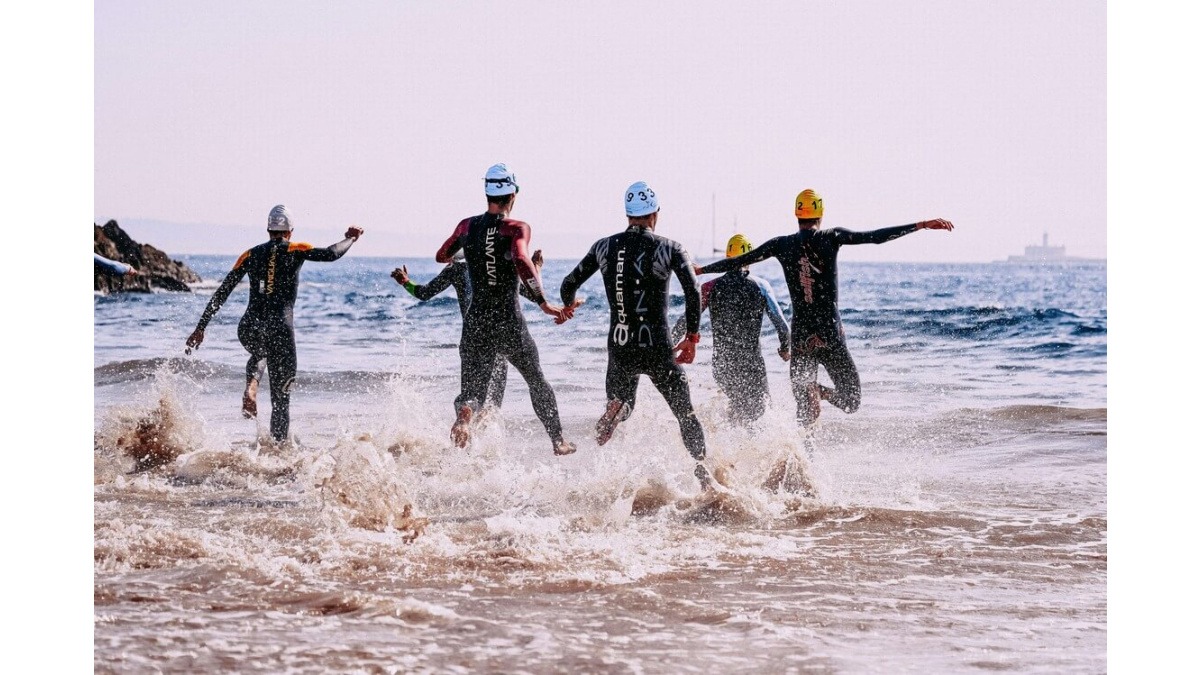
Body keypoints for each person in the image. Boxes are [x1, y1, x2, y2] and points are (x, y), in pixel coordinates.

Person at [696, 189, 953, 428]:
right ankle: (820, 390)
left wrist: (702, 270)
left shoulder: (781, 244)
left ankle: (796, 465)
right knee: (851, 400)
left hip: (801, 339)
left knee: (803, 418)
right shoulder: (832, 237)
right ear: (820, 213)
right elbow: (874, 237)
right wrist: (920, 225)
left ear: (797, 214)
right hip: (830, 334)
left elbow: (742, 260)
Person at [559, 181, 713, 489]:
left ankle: (618, 408)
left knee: (624, 403)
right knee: (685, 414)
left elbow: (568, 282)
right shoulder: (670, 247)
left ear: (628, 214)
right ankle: (705, 477)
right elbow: (693, 293)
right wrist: (693, 337)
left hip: (620, 345)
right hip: (658, 346)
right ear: (655, 213)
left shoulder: (603, 247)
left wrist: (568, 305)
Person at [184, 205, 363, 444]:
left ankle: (252, 386)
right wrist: (350, 238)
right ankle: (278, 451)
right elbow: (331, 253)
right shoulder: (296, 249)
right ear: (290, 231)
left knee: (261, 350)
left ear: (268, 229)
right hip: (281, 328)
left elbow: (222, 292)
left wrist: (201, 328)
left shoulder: (249, 254)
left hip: (249, 325)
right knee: (281, 400)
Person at [433, 163, 577, 456]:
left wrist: (475, 252)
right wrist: (543, 302)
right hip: (508, 321)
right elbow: (523, 261)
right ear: (514, 195)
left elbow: (442, 255)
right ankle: (558, 441)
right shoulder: (516, 228)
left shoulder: (466, 226)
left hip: (476, 321)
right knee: (536, 380)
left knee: (474, 390)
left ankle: (464, 415)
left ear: (487, 193)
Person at [390, 249, 546, 410]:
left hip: (473, 336)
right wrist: (536, 267)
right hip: (500, 332)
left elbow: (423, 293)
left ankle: (465, 418)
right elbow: (534, 295)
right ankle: (483, 421)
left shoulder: (454, 270)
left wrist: (406, 282)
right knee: (493, 404)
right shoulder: (496, 267)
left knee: (470, 397)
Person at [671, 234, 790, 426]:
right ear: (750, 259)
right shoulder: (761, 286)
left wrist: (669, 346)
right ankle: (743, 451)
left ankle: (724, 446)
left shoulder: (710, 286)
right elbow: (783, 327)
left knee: (739, 406)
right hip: (751, 363)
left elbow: (685, 321)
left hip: (722, 364)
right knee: (760, 412)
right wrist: (785, 348)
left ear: (727, 257)